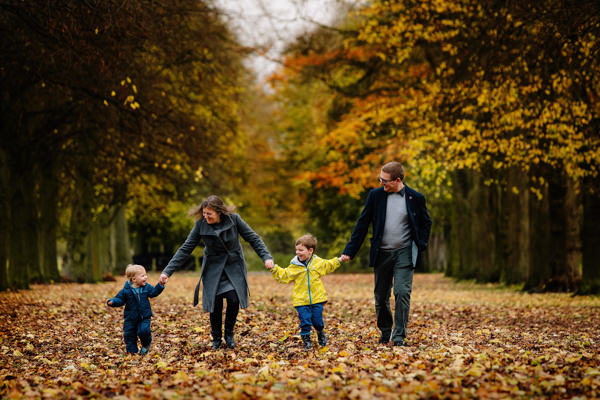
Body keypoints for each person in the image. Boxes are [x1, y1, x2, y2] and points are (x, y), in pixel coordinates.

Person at [158, 195, 273, 350]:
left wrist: (266, 257)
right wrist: (167, 272)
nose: (206, 217)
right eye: (204, 213)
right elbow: (186, 248)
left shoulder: (235, 220)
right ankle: (216, 338)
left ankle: (229, 334)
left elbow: (254, 239)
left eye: (209, 214)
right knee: (215, 303)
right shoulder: (200, 225)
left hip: (233, 265)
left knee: (233, 299)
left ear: (219, 212)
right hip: (213, 268)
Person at [341, 161, 431, 347]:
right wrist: (350, 250)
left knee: (402, 292)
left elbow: (425, 223)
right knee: (381, 297)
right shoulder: (375, 196)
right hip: (382, 253)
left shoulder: (416, 198)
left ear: (397, 180)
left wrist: (420, 244)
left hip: (404, 252)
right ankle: (386, 331)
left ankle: (398, 337)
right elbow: (362, 224)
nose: (382, 183)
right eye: (380, 179)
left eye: (385, 181)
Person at [267, 234, 345, 349]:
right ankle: (307, 341)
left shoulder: (318, 263)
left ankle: (320, 332)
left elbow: (328, 265)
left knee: (317, 321)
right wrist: (274, 269)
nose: (298, 252)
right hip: (301, 300)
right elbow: (284, 275)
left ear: (310, 251)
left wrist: (339, 260)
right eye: (296, 250)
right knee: (305, 321)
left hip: (317, 298)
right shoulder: (295, 266)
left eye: (301, 250)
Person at [106, 264, 165, 354]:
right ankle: (132, 352)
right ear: (134, 279)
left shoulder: (146, 287)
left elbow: (154, 292)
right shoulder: (126, 290)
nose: (146, 277)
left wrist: (160, 285)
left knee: (144, 331)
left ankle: (146, 343)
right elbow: (120, 299)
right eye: (143, 276)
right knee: (129, 335)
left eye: (145, 274)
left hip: (144, 316)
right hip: (130, 318)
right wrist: (113, 302)